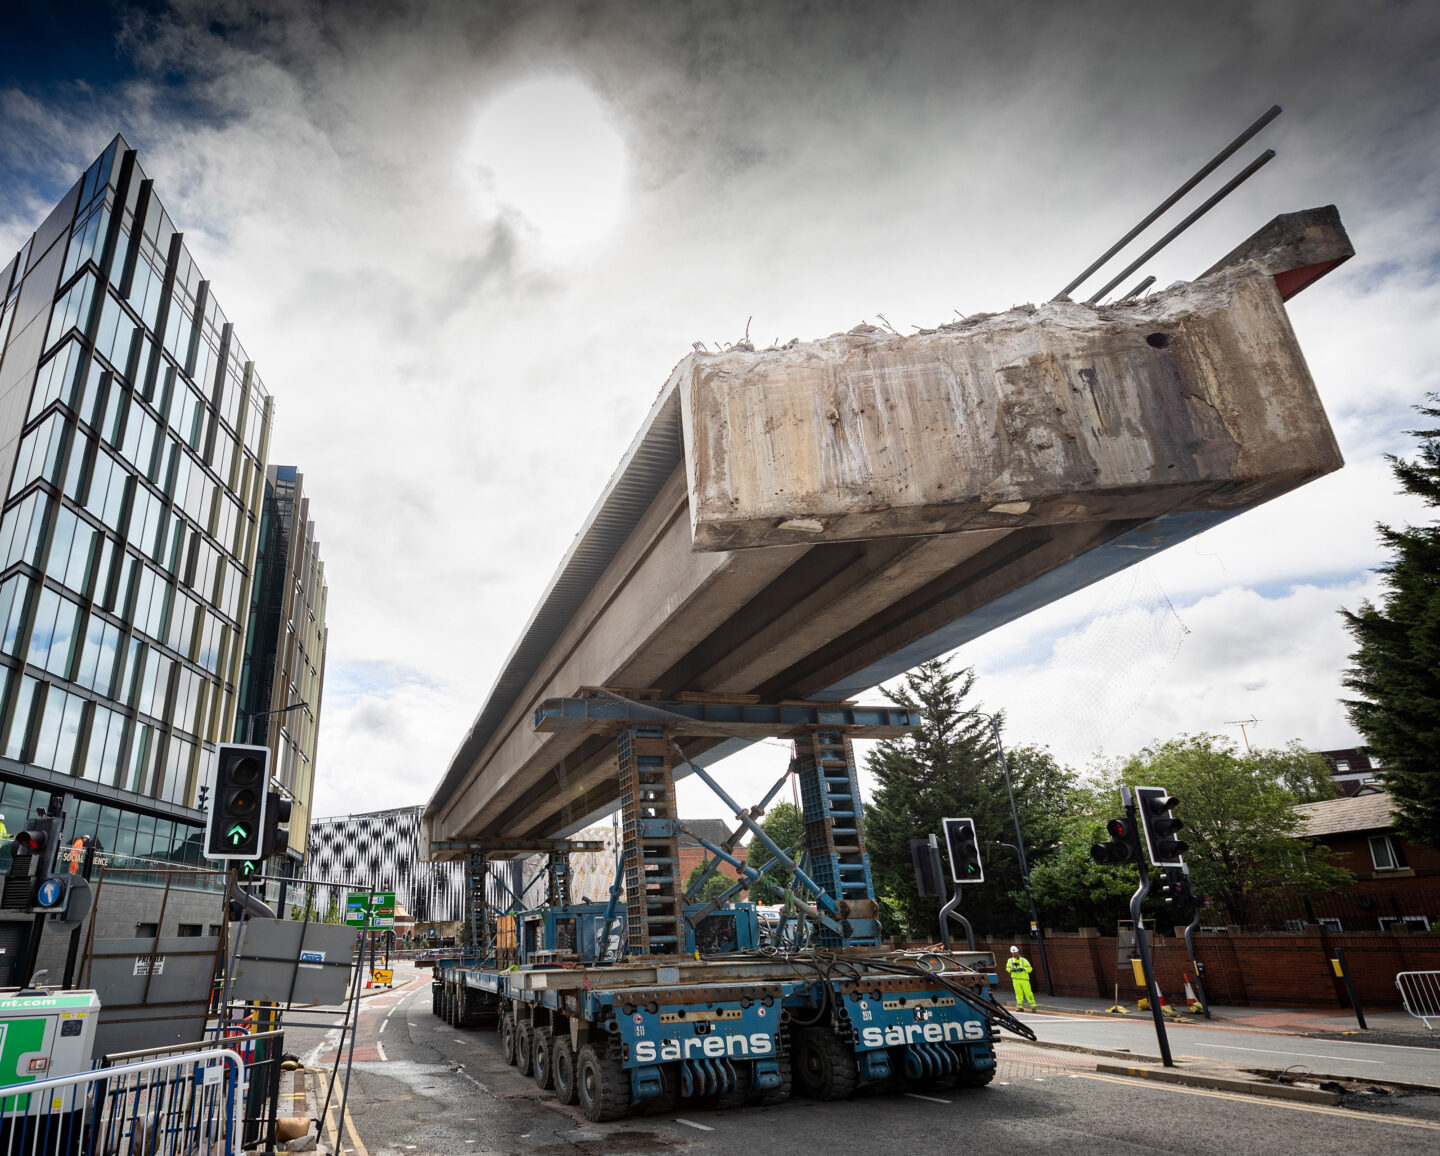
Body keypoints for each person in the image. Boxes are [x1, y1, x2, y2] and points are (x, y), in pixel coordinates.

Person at [1006, 945, 1037, 1010]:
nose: (1014, 953)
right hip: (1015, 980)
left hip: (1024, 979)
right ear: (1011, 953)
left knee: (1028, 993)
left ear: (1018, 951)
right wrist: (1011, 970)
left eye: (1015, 952)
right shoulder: (1010, 960)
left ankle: (1033, 1006)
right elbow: (1007, 968)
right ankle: (1020, 1007)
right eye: (1013, 952)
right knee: (1018, 994)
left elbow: (1030, 969)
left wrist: (1023, 969)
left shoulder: (1024, 960)